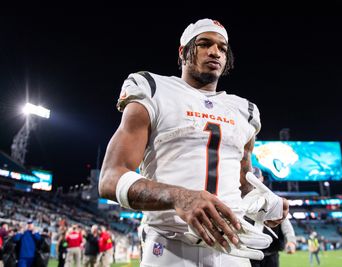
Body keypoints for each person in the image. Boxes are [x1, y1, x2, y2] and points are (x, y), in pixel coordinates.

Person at [98, 18, 289, 267]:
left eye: (222, 48)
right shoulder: (153, 88)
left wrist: (264, 202)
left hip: (232, 250)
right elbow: (110, 178)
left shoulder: (245, 110)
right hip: (168, 247)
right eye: (204, 44)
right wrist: (179, 196)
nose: (214, 52)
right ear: (183, 51)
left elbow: (244, 181)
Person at [249, 167, 296, 267]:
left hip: (270, 254)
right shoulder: (240, 198)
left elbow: (285, 223)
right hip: (249, 254)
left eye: (257, 178)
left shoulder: (273, 199)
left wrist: (291, 241)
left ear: (262, 179)